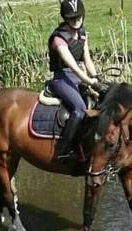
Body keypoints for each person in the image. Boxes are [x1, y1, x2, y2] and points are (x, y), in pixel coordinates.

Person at [48, 0, 99, 160]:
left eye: (79, 17)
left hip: (78, 78)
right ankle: (63, 151)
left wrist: (97, 77)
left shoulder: (83, 33)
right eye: (72, 18)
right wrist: (90, 82)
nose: (76, 21)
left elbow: (87, 59)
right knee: (79, 108)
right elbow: (74, 67)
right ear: (65, 18)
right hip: (62, 78)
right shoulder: (59, 39)